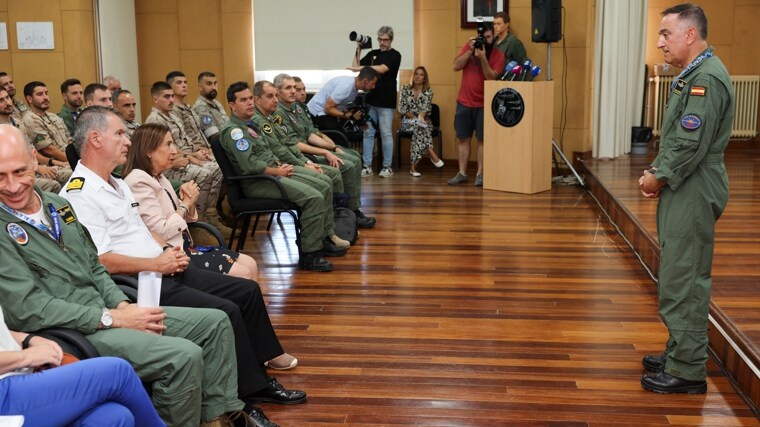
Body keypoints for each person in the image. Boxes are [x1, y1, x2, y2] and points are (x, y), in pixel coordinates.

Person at [0, 123, 274, 426]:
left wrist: (122, 305)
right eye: (0, 176)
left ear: (34, 162)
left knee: (216, 323)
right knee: (182, 356)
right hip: (72, 329)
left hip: (106, 309)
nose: (11, 186)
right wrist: (113, 318)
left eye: (20, 172)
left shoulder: (58, 206)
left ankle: (216, 417)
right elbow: (28, 309)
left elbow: (93, 265)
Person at [61, 106, 305, 414]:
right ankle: (248, 396)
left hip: (161, 267)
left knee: (246, 291)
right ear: (96, 139)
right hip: (136, 282)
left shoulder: (117, 183)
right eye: (120, 133)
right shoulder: (79, 194)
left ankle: (262, 371)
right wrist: (156, 264)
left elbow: (141, 232)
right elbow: (101, 261)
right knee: (226, 310)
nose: (127, 141)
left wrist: (165, 251)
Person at [638, 3, 734, 394]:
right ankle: (681, 349)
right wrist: (659, 175)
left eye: (666, 34)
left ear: (690, 35)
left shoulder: (705, 79)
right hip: (687, 184)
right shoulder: (695, 73)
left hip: (692, 186)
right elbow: (680, 136)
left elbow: (688, 145)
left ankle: (688, 369)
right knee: (679, 270)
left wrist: (656, 178)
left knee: (685, 278)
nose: (660, 42)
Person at [221, 81, 345, 271]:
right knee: (313, 197)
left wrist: (280, 165)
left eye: (249, 99)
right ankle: (309, 254)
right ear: (232, 104)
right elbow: (250, 165)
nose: (249, 103)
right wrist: (277, 171)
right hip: (259, 182)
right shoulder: (235, 132)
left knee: (324, 185)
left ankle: (322, 238)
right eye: (243, 100)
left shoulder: (250, 125)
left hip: (273, 174)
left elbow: (269, 151)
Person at [122, 123, 259, 281]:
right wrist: (185, 204)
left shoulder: (158, 176)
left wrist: (190, 200)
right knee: (244, 273)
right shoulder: (138, 181)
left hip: (186, 247)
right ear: (148, 151)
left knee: (250, 263)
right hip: (172, 255)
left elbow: (189, 219)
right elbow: (161, 231)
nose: (174, 151)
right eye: (168, 144)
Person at [0, 305, 165, 426]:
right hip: (6, 390)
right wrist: (25, 357)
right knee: (117, 372)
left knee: (114, 417)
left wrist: (29, 339)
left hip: (17, 374)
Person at [275, 73, 376, 229]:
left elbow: (311, 133)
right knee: (348, 165)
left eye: (297, 88)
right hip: (302, 156)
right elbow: (296, 144)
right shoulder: (278, 114)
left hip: (307, 151)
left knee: (354, 157)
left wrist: (332, 147)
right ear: (277, 92)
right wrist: (325, 151)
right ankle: (347, 214)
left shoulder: (296, 108)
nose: (296, 92)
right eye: (290, 88)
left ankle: (351, 211)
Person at [145, 81, 224, 227]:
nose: (171, 100)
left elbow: (186, 142)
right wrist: (190, 156)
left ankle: (210, 214)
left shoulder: (172, 117)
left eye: (172, 96)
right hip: (169, 166)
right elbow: (164, 151)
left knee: (219, 167)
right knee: (206, 173)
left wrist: (198, 152)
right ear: (155, 99)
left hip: (184, 158)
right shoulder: (154, 120)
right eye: (166, 97)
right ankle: (197, 221)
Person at [448, 20, 505, 187]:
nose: (485, 40)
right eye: (482, 36)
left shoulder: (498, 55)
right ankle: (462, 173)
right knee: (463, 138)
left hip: (484, 104)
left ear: (493, 37)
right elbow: (455, 66)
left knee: (482, 140)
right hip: (464, 102)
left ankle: (480, 174)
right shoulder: (469, 45)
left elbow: (492, 77)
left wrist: (482, 59)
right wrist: (470, 51)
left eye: (488, 37)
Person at [348, 26, 402, 178]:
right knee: (368, 134)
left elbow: (382, 69)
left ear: (391, 40)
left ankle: (387, 167)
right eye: (380, 39)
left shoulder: (395, 55)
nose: (382, 42)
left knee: (386, 134)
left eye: (385, 40)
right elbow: (356, 66)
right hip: (371, 101)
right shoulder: (373, 54)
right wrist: (358, 48)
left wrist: (360, 67)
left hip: (386, 103)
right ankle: (367, 166)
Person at [0, 88, 67, 192]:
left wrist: (51, 161)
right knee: (55, 184)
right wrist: (37, 167)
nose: (7, 103)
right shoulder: (2, 130)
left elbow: (31, 150)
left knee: (72, 171)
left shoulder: (18, 122)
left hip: (35, 166)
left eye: (7, 98)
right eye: (1, 100)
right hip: (17, 174)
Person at [397, 66, 444, 177]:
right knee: (421, 127)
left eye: (421, 75)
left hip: (423, 122)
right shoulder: (405, 89)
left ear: (424, 78)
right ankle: (431, 153)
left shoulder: (428, 92)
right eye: (416, 74)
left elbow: (425, 109)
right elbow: (402, 109)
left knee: (420, 128)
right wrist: (416, 119)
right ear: (413, 76)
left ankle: (413, 168)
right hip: (407, 122)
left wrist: (420, 118)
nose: (418, 76)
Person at [307, 66, 378, 132]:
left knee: (341, 135)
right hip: (317, 113)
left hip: (326, 112)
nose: (374, 87)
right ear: (365, 81)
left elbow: (343, 107)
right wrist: (346, 115)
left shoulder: (354, 88)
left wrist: (358, 121)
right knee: (338, 137)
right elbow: (328, 108)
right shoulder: (346, 87)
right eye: (373, 83)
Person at [20, 81, 72, 164]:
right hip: (54, 164)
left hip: (69, 158)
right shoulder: (30, 119)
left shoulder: (54, 117)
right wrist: (74, 161)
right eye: (40, 94)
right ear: (29, 99)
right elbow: (49, 150)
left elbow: (70, 141)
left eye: (46, 93)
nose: (45, 97)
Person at [193, 71, 230, 138]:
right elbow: (213, 135)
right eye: (209, 84)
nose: (214, 87)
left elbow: (228, 125)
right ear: (200, 87)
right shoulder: (200, 107)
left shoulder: (217, 103)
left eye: (215, 83)